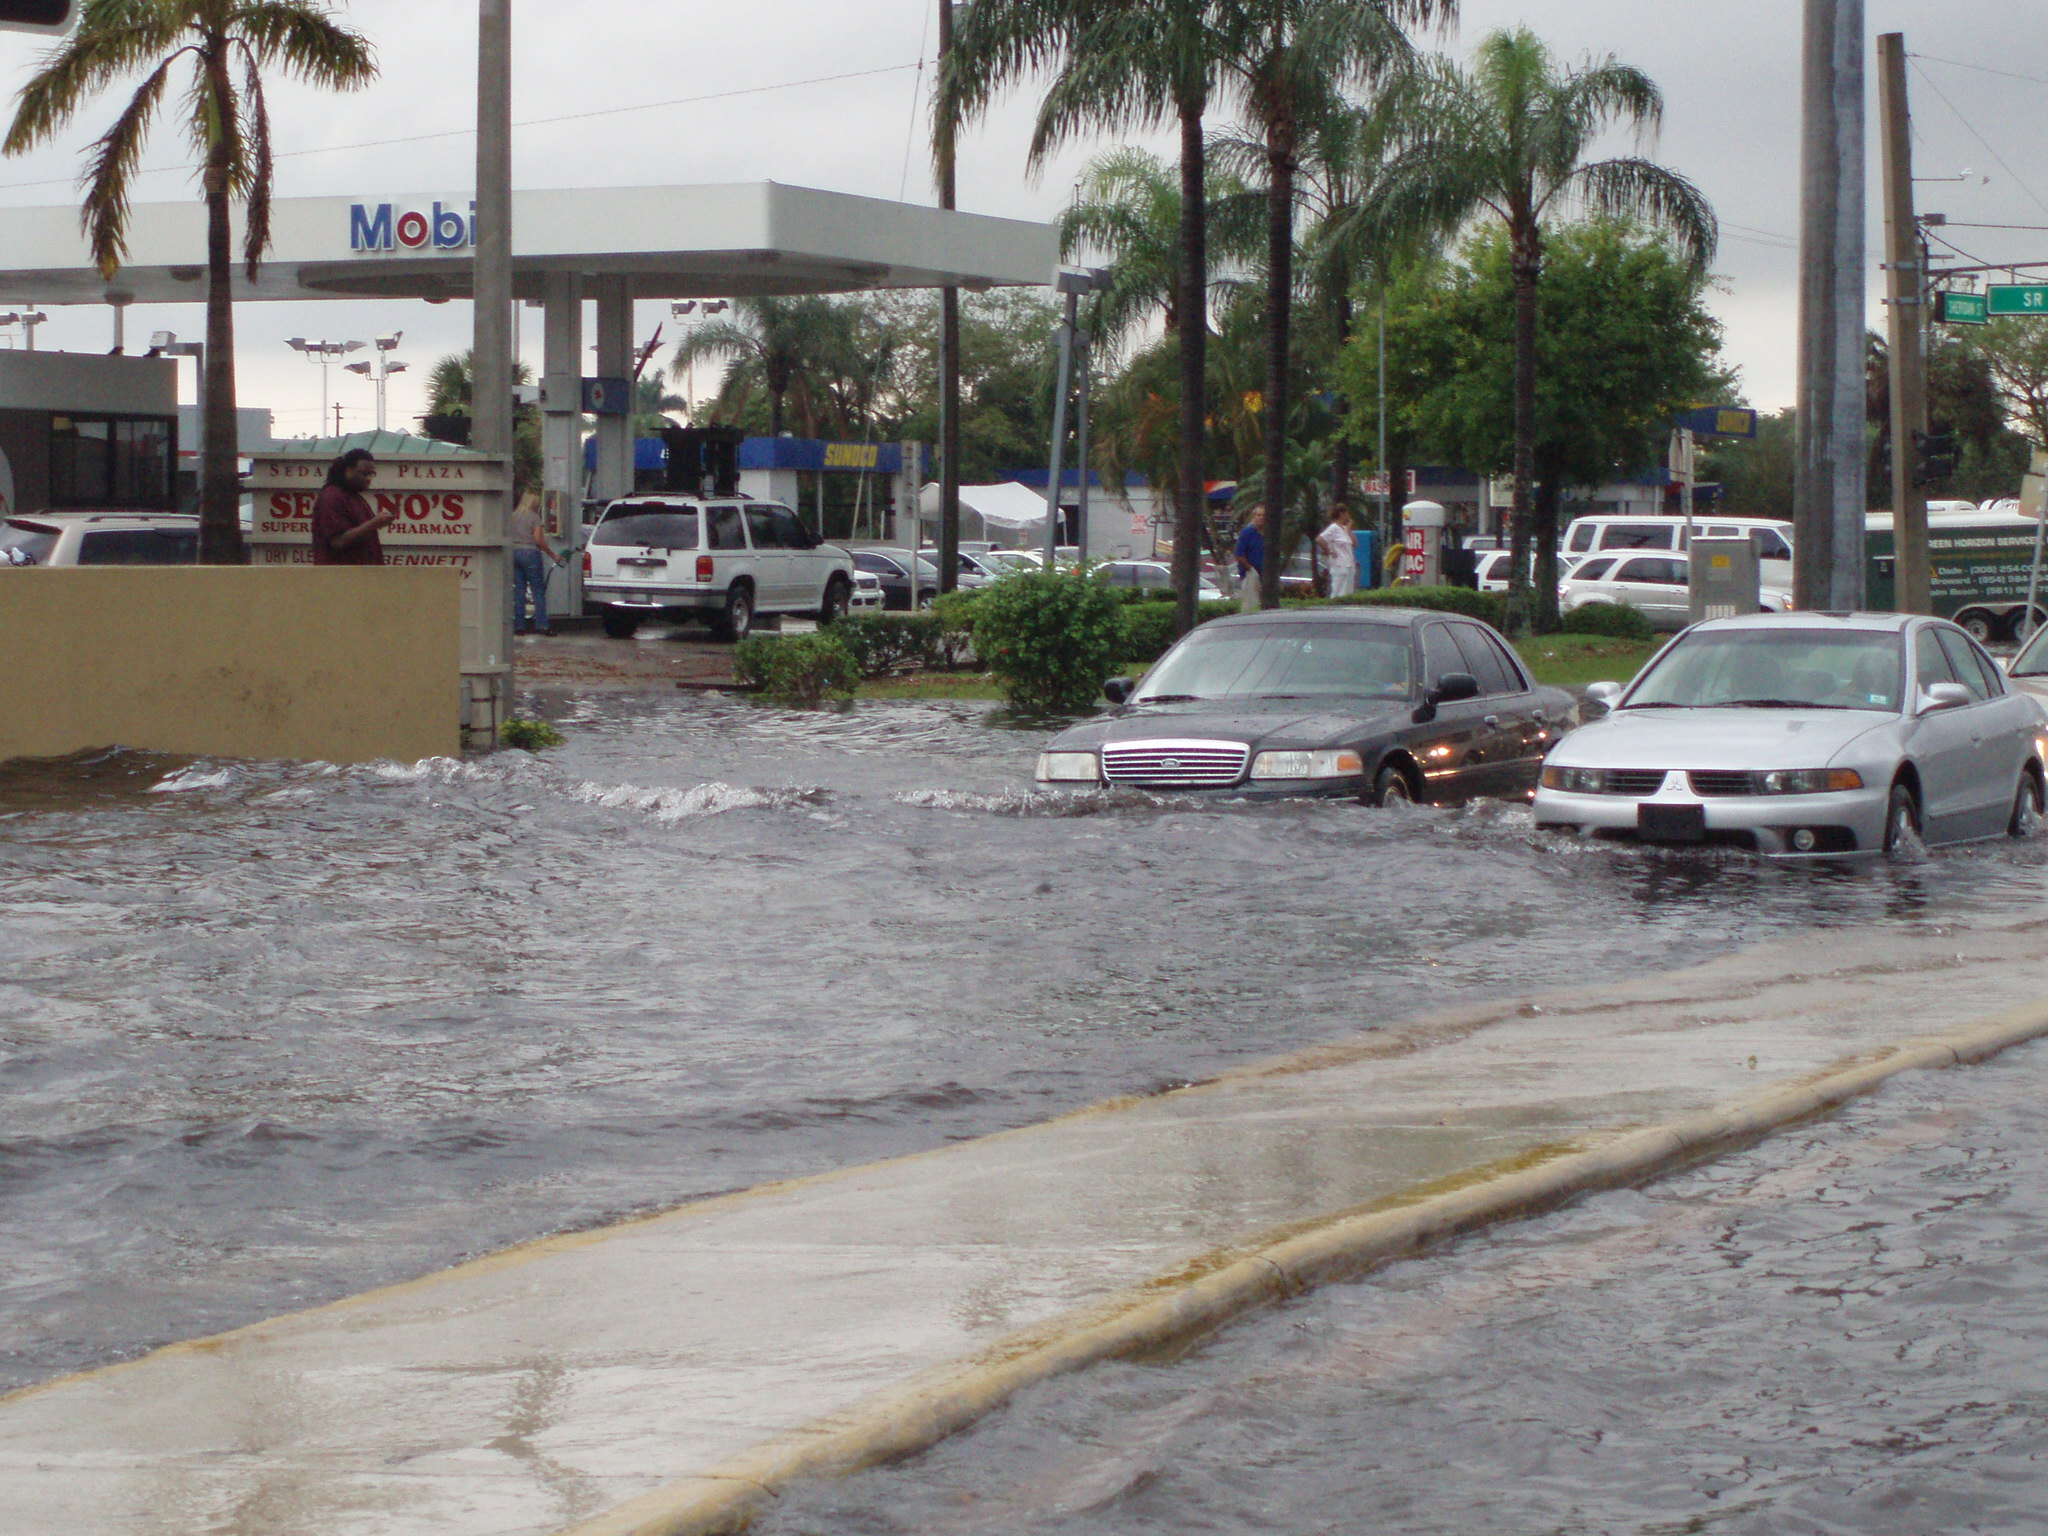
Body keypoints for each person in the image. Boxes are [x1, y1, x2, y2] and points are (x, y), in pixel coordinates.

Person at [310, 448, 391, 565]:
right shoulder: (332, 496)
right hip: (340, 577)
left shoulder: (355, 497)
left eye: (371, 474)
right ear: (348, 470)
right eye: (364, 473)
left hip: (362, 577)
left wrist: (377, 523)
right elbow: (338, 541)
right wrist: (373, 523)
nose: (369, 479)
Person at [510, 491, 562, 636]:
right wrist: (552, 555)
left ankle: (519, 626)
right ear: (534, 504)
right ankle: (542, 625)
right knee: (537, 590)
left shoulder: (512, 516)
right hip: (530, 553)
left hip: (514, 553)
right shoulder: (534, 518)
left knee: (519, 590)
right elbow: (538, 540)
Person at [1318, 504, 1358, 597]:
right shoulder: (1333, 528)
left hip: (1349, 565)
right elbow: (1320, 539)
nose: (1348, 515)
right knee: (1338, 591)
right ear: (1341, 514)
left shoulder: (1344, 529)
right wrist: (1330, 551)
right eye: (1346, 513)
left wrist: (1349, 530)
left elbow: (1355, 544)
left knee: (1348, 593)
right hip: (1339, 565)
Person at [1233, 505, 1267, 613]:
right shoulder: (1247, 533)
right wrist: (1250, 569)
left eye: (1263, 515)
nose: (1261, 518)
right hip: (1250, 574)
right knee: (1250, 605)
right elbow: (1239, 554)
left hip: (1265, 575)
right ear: (1254, 517)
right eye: (1258, 515)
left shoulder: (1267, 533)